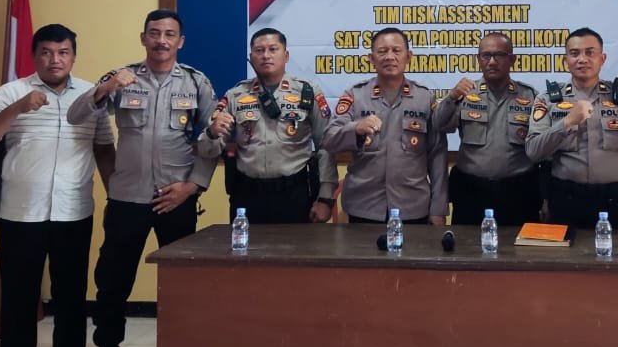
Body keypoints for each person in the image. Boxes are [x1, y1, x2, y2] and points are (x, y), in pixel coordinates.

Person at [66, 9, 218, 347]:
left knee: (182, 285)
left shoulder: (196, 83)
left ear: (180, 41)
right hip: (126, 200)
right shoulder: (122, 77)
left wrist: (192, 186)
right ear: (143, 38)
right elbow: (75, 116)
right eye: (154, 33)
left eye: (169, 34)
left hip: (175, 199)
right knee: (112, 283)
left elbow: (213, 140)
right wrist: (105, 88)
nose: (161, 40)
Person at [0, 24, 115, 347]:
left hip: (74, 210)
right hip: (21, 213)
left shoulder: (91, 95)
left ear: (74, 56)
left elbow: (103, 148)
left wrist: (115, 196)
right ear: (34, 56)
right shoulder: (12, 92)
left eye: (63, 52)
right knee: (19, 298)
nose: (55, 60)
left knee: (71, 297)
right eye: (47, 52)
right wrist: (17, 108)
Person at [203, 27, 337, 223]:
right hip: (247, 195)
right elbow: (208, 150)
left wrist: (325, 198)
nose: (266, 55)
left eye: (273, 49)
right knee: (244, 244)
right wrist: (212, 133)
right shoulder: (235, 95)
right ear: (251, 57)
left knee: (299, 244)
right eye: (259, 51)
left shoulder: (307, 92)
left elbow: (326, 145)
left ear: (286, 55)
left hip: (295, 194)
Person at [526, 27, 618, 232]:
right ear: (565, 60)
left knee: (617, 253)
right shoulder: (547, 99)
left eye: (590, 53)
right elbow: (533, 151)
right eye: (574, 53)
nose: (582, 59)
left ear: (602, 59)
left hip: (615, 200)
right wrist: (567, 122)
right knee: (566, 254)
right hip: (566, 200)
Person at [323, 27, 447, 225]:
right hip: (364, 207)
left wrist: (439, 207)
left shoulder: (425, 98)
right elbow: (329, 139)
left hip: (413, 208)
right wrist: (355, 128)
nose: (390, 57)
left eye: (396, 50)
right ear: (371, 58)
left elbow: (437, 155)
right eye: (382, 51)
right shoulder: (355, 95)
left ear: (409, 56)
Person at [434, 32, 541, 225]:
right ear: (479, 59)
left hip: (519, 192)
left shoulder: (530, 96)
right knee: (467, 243)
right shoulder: (465, 93)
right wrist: (451, 97)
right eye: (486, 55)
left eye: (499, 55)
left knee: (518, 243)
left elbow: (542, 147)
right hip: (471, 192)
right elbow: (438, 125)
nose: (492, 61)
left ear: (512, 59)